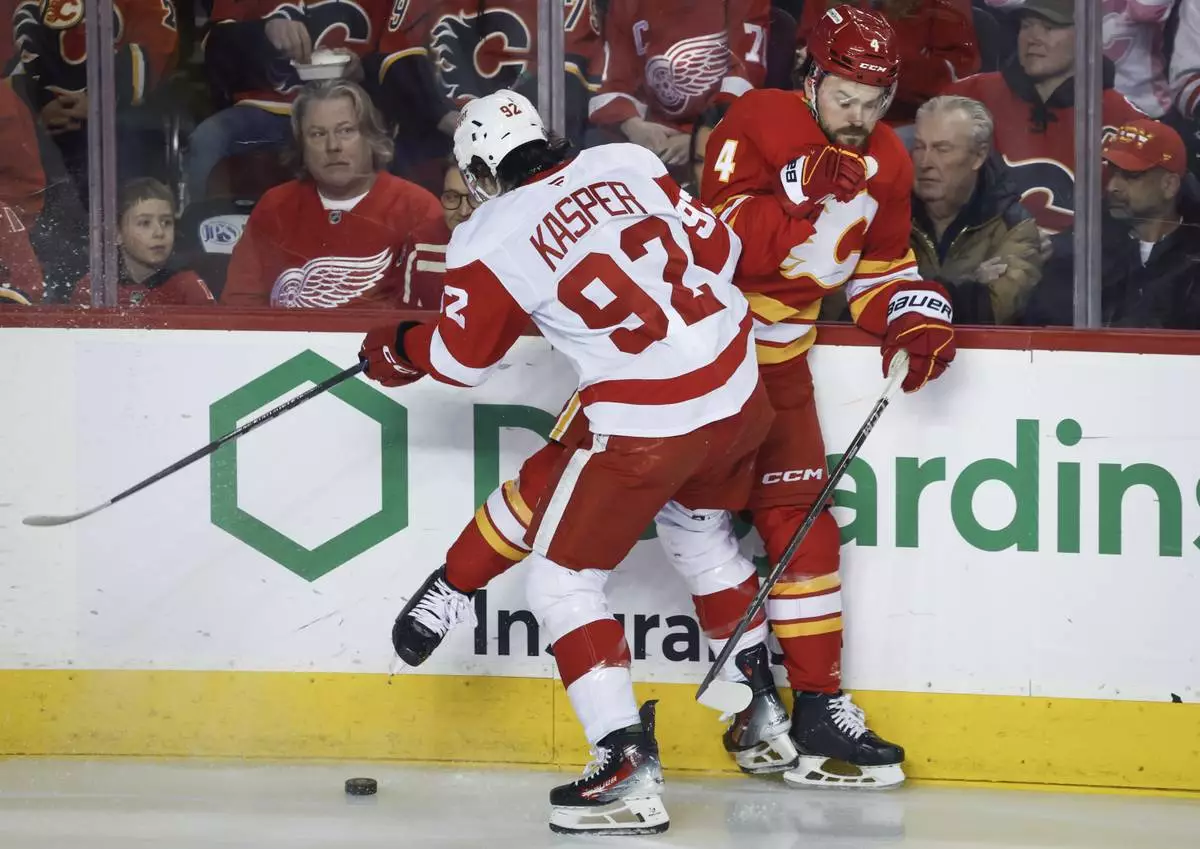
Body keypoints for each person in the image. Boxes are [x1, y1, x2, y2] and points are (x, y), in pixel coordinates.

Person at [360, 89, 778, 835]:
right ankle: (759, 715)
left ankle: (623, 765)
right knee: (700, 537)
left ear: (483, 171)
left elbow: (460, 363)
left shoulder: (487, 233)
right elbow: (720, 251)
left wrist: (400, 347)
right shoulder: (627, 159)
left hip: (650, 420)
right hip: (739, 390)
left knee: (561, 580)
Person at [698, 4, 956, 787]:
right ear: (811, 78)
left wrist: (910, 313)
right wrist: (794, 187)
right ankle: (753, 701)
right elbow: (712, 242)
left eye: (875, 103)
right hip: (702, 367)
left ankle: (816, 705)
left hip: (783, 369)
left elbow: (877, 274)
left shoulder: (890, 160)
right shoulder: (759, 117)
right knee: (696, 531)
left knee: (806, 532)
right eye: (845, 97)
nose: (859, 117)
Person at [220, 81, 442, 308]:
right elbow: (240, 304)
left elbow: (432, 311)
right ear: (302, 146)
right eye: (317, 134)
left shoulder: (418, 209)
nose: (333, 146)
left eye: (346, 131)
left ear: (371, 137)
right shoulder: (274, 207)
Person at [947, 0, 1143, 235]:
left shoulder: (1127, 123)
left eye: (1049, 27)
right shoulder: (967, 98)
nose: (1033, 38)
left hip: (1082, 255)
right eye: (1026, 25)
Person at [909, 95, 1043, 324]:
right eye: (920, 147)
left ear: (978, 156)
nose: (924, 162)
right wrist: (969, 282)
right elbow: (862, 301)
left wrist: (909, 294)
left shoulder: (1013, 226)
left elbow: (993, 310)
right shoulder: (888, 213)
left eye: (942, 149)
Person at [588, 0, 770, 166]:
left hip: (722, 135)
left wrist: (699, 139)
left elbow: (744, 77)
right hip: (654, 140)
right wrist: (633, 126)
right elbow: (613, 82)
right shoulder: (626, 4)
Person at [71, 178, 213, 306]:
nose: (159, 232)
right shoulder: (94, 287)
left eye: (166, 222)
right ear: (117, 234)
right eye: (145, 223)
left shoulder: (188, 286)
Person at [397, 162, 477, 309]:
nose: (464, 211)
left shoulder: (512, 245)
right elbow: (407, 317)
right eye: (452, 197)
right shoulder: (420, 245)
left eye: (474, 198)